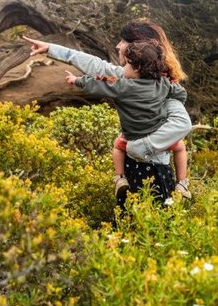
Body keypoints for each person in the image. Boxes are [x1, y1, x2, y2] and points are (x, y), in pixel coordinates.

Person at [22, 18, 192, 208]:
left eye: (123, 41)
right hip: (134, 168)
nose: (118, 45)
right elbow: (95, 64)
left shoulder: (163, 90)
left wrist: (141, 146)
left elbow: (183, 124)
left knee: (148, 227)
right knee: (130, 223)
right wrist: (51, 48)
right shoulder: (150, 82)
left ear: (137, 52)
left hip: (154, 171)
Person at [64, 40, 191, 199]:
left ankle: (120, 178)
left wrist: (77, 80)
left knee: (118, 146)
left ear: (137, 68)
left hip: (132, 138)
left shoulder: (122, 87)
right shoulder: (163, 83)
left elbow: (97, 85)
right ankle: (182, 182)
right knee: (179, 147)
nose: (123, 68)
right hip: (159, 137)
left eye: (127, 65)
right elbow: (179, 92)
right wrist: (175, 101)